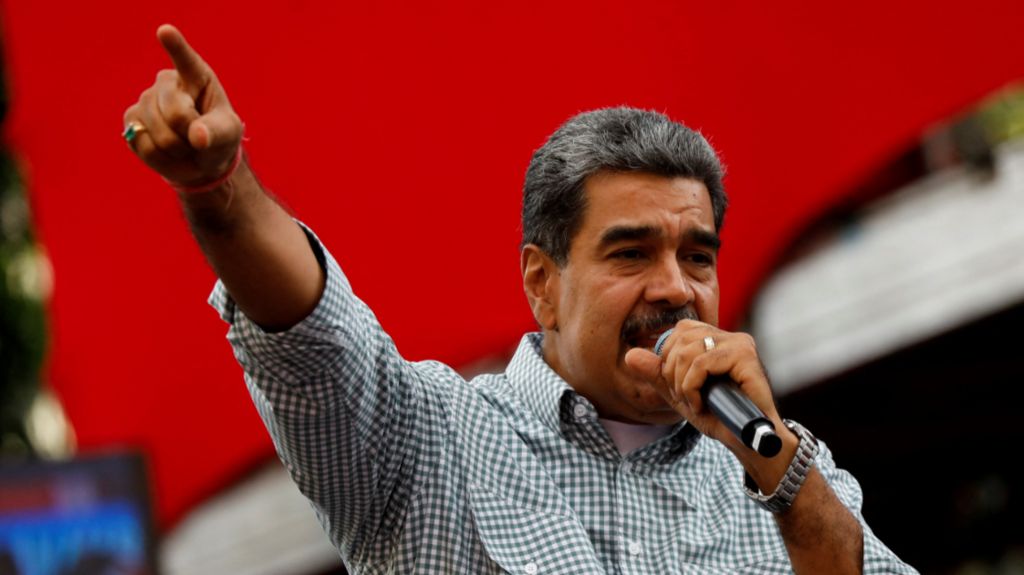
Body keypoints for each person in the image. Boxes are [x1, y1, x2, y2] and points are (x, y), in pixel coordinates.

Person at [123, 24, 918, 575]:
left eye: (697, 255)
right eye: (632, 251)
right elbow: (310, 335)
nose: (676, 286)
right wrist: (219, 190)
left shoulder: (784, 474)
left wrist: (783, 476)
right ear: (543, 282)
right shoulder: (427, 441)